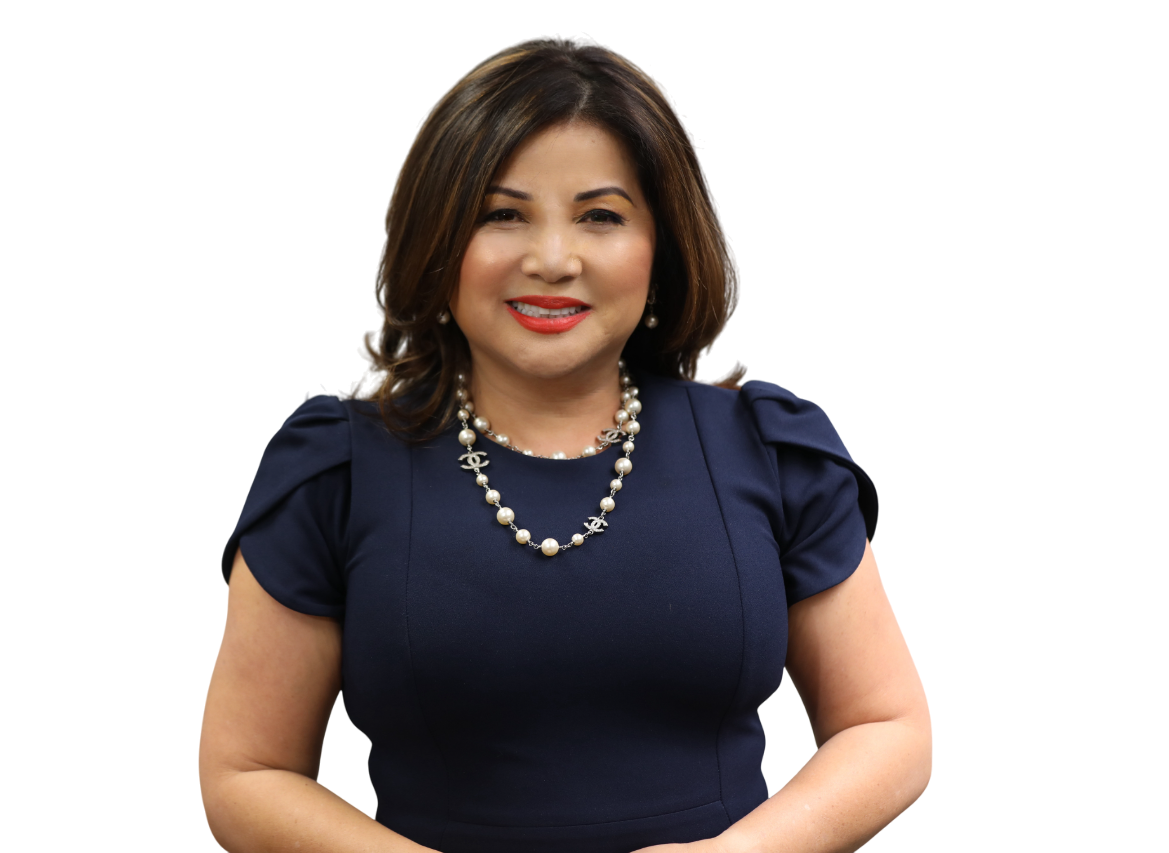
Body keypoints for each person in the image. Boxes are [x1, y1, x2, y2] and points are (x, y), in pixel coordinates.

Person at [200, 34, 931, 853]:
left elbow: (890, 727)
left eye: (601, 216)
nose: (552, 259)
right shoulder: (334, 467)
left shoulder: (770, 450)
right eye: (502, 214)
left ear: (661, 249)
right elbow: (245, 775)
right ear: (437, 243)